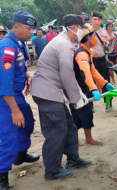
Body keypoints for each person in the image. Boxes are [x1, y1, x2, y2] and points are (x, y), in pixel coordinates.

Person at [31, 14, 92, 180]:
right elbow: (66, 73)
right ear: (73, 28)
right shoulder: (63, 44)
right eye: (81, 29)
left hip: (53, 92)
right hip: (47, 93)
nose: (82, 32)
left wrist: (78, 93)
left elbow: (67, 75)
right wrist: (76, 98)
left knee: (69, 126)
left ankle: (73, 159)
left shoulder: (66, 43)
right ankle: (52, 170)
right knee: (56, 130)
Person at [0, 11, 40, 190]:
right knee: (9, 137)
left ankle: (21, 155)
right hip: (6, 99)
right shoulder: (7, 48)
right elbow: (4, 84)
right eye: (28, 28)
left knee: (27, 124)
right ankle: (2, 178)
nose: (31, 31)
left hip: (18, 95)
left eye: (33, 28)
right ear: (16, 26)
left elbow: (19, 66)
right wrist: (14, 110)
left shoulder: (19, 43)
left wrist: (26, 74)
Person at [70, 23, 115, 146]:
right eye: (94, 35)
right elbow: (85, 73)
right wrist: (94, 89)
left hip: (84, 88)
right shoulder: (81, 54)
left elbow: (93, 70)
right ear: (89, 37)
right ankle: (74, 140)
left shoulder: (87, 51)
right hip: (78, 89)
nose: (96, 37)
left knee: (86, 113)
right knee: (80, 115)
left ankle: (87, 139)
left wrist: (104, 83)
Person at [91, 12, 110, 94]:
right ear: (91, 20)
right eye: (94, 19)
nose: (96, 21)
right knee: (90, 83)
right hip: (92, 60)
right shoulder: (87, 32)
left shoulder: (104, 32)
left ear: (101, 21)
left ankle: (108, 104)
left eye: (98, 19)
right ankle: (91, 105)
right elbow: (81, 45)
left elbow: (107, 45)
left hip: (102, 59)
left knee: (106, 81)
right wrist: (91, 51)